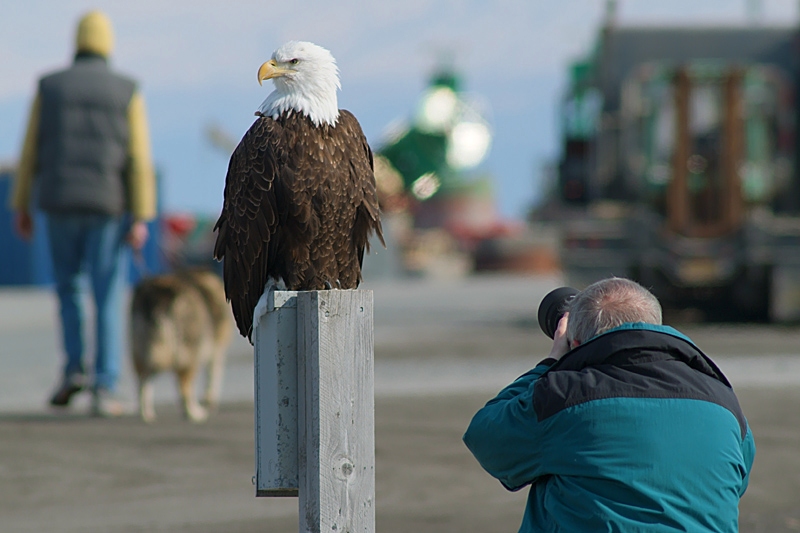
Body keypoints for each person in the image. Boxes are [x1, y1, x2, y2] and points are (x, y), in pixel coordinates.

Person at [463, 277, 755, 532]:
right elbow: (735, 483)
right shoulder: (723, 398)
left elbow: (487, 439)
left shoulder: (563, 396)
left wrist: (552, 362)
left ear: (574, 343)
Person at [10, 10, 157, 416]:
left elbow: (29, 149)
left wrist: (20, 203)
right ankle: (105, 386)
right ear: (107, 42)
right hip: (107, 206)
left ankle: (73, 370)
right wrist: (143, 214)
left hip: (57, 203)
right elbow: (139, 158)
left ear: (76, 41)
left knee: (67, 289)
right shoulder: (127, 89)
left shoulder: (49, 86)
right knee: (107, 293)